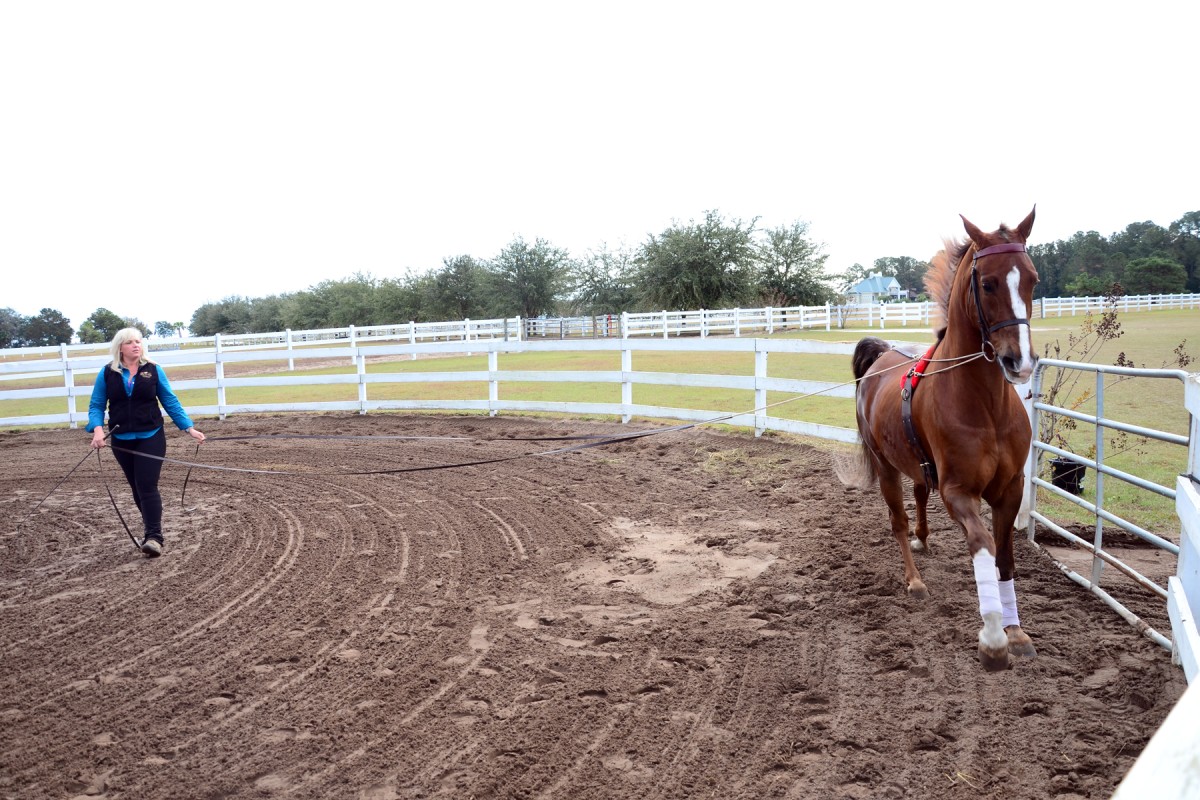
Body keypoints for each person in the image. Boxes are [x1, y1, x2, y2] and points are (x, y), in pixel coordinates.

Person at [87, 328, 205, 557]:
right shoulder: (107, 373)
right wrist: (98, 430)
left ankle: (154, 537)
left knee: (146, 485)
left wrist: (189, 427)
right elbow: (97, 404)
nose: (135, 345)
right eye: (129, 342)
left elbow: (170, 400)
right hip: (121, 440)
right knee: (136, 487)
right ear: (120, 347)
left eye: (138, 341)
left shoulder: (153, 370)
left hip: (151, 436)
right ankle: (151, 529)